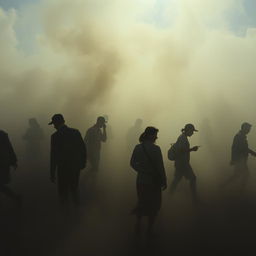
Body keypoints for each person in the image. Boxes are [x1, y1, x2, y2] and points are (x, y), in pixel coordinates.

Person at [130, 126, 167, 236]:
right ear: (151, 136)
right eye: (155, 135)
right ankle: (150, 229)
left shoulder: (138, 147)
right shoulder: (156, 149)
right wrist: (164, 180)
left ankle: (138, 223)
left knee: (142, 202)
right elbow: (160, 166)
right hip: (153, 182)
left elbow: (132, 163)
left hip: (141, 180)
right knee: (154, 205)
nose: (157, 137)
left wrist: (142, 171)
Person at [49, 114, 86, 206]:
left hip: (63, 168)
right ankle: (77, 211)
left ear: (57, 123)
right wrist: (82, 163)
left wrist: (52, 172)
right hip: (75, 166)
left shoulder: (55, 136)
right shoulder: (75, 132)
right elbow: (82, 149)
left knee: (63, 192)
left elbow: (54, 156)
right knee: (74, 189)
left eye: (54, 124)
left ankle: (66, 214)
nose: (54, 126)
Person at [221, 122, 256, 192]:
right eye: (248, 129)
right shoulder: (240, 137)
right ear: (243, 128)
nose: (249, 130)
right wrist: (253, 153)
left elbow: (235, 148)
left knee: (236, 175)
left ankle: (223, 186)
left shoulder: (240, 136)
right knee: (245, 175)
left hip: (240, 159)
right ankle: (241, 191)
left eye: (249, 129)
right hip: (240, 159)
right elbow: (242, 148)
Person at [169, 124, 200, 203]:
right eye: (192, 131)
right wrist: (192, 149)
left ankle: (168, 196)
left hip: (180, 163)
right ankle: (195, 199)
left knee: (176, 180)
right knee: (193, 178)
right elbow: (181, 151)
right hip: (183, 163)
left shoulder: (182, 137)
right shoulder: (183, 138)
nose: (192, 133)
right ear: (188, 130)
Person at [0, 130, 21, 205]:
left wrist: (13, 160)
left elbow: (9, 148)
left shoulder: (2, 135)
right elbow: (9, 147)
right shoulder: (2, 134)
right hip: (4, 162)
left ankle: (16, 197)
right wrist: (13, 161)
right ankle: (16, 197)